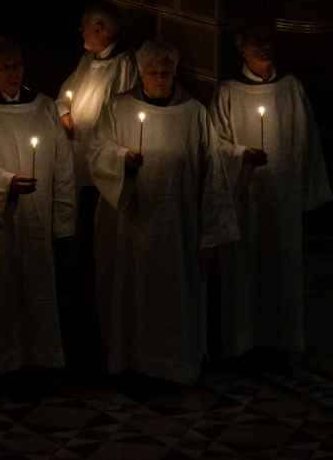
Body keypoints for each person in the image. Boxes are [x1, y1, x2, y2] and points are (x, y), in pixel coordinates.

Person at [88, 38, 240, 385]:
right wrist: (122, 159)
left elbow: (212, 170)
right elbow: (96, 150)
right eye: (153, 72)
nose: (159, 78)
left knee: (174, 296)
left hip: (177, 227)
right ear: (140, 73)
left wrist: (212, 229)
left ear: (175, 73)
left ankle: (175, 364)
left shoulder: (194, 114)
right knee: (133, 294)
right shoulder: (118, 108)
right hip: (131, 225)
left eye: (166, 73)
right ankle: (130, 362)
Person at [209, 24, 332, 370]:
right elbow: (214, 144)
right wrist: (240, 154)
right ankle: (242, 345)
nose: (265, 46)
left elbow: (307, 140)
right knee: (244, 269)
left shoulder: (291, 88)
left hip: (282, 199)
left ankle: (279, 344)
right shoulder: (228, 92)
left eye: (269, 40)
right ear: (242, 49)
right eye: (256, 41)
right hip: (245, 199)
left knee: (281, 269)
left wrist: (307, 190)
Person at [0, 39, 76, 375]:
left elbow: (62, 163)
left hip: (37, 218)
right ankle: (1, 364)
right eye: (4, 67)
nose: (13, 72)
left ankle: (41, 361)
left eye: (17, 65)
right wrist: (5, 183)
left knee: (38, 290)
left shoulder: (44, 106)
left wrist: (63, 218)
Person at [56, 1, 138, 190]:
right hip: (78, 148)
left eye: (84, 25)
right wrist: (64, 114)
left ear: (98, 29)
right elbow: (65, 94)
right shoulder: (88, 58)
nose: (80, 30)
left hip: (105, 159)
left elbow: (128, 116)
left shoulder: (126, 65)